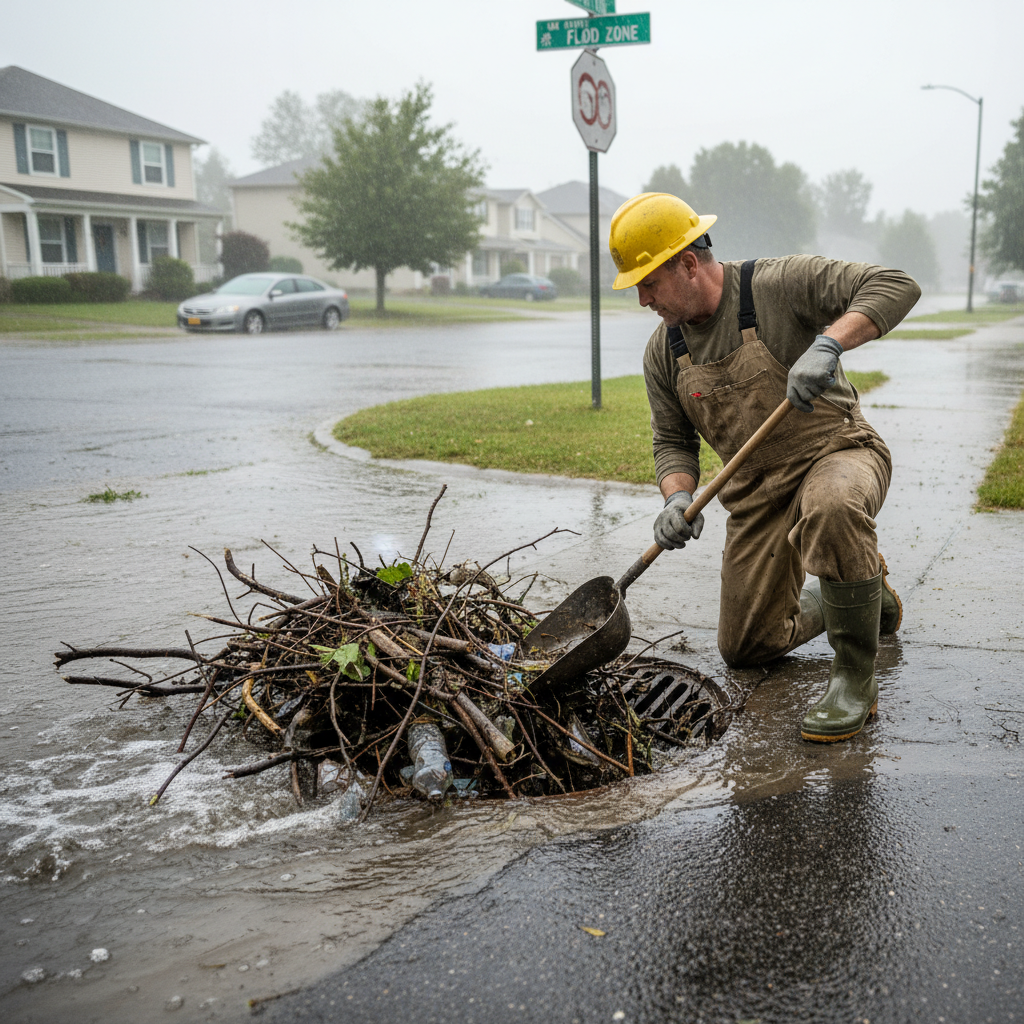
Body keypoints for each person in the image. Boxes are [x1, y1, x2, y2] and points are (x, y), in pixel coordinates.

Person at [608, 192, 921, 742]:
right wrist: (675, 497)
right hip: (757, 492)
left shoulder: (776, 284)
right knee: (746, 648)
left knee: (832, 506)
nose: (642, 299)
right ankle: (854, 593)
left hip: (838, 452)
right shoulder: (664, 351)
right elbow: (672, 441)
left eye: (648, 283)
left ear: (686, 264)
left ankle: (853, 680)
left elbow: (896, 284)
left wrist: (829, 343)